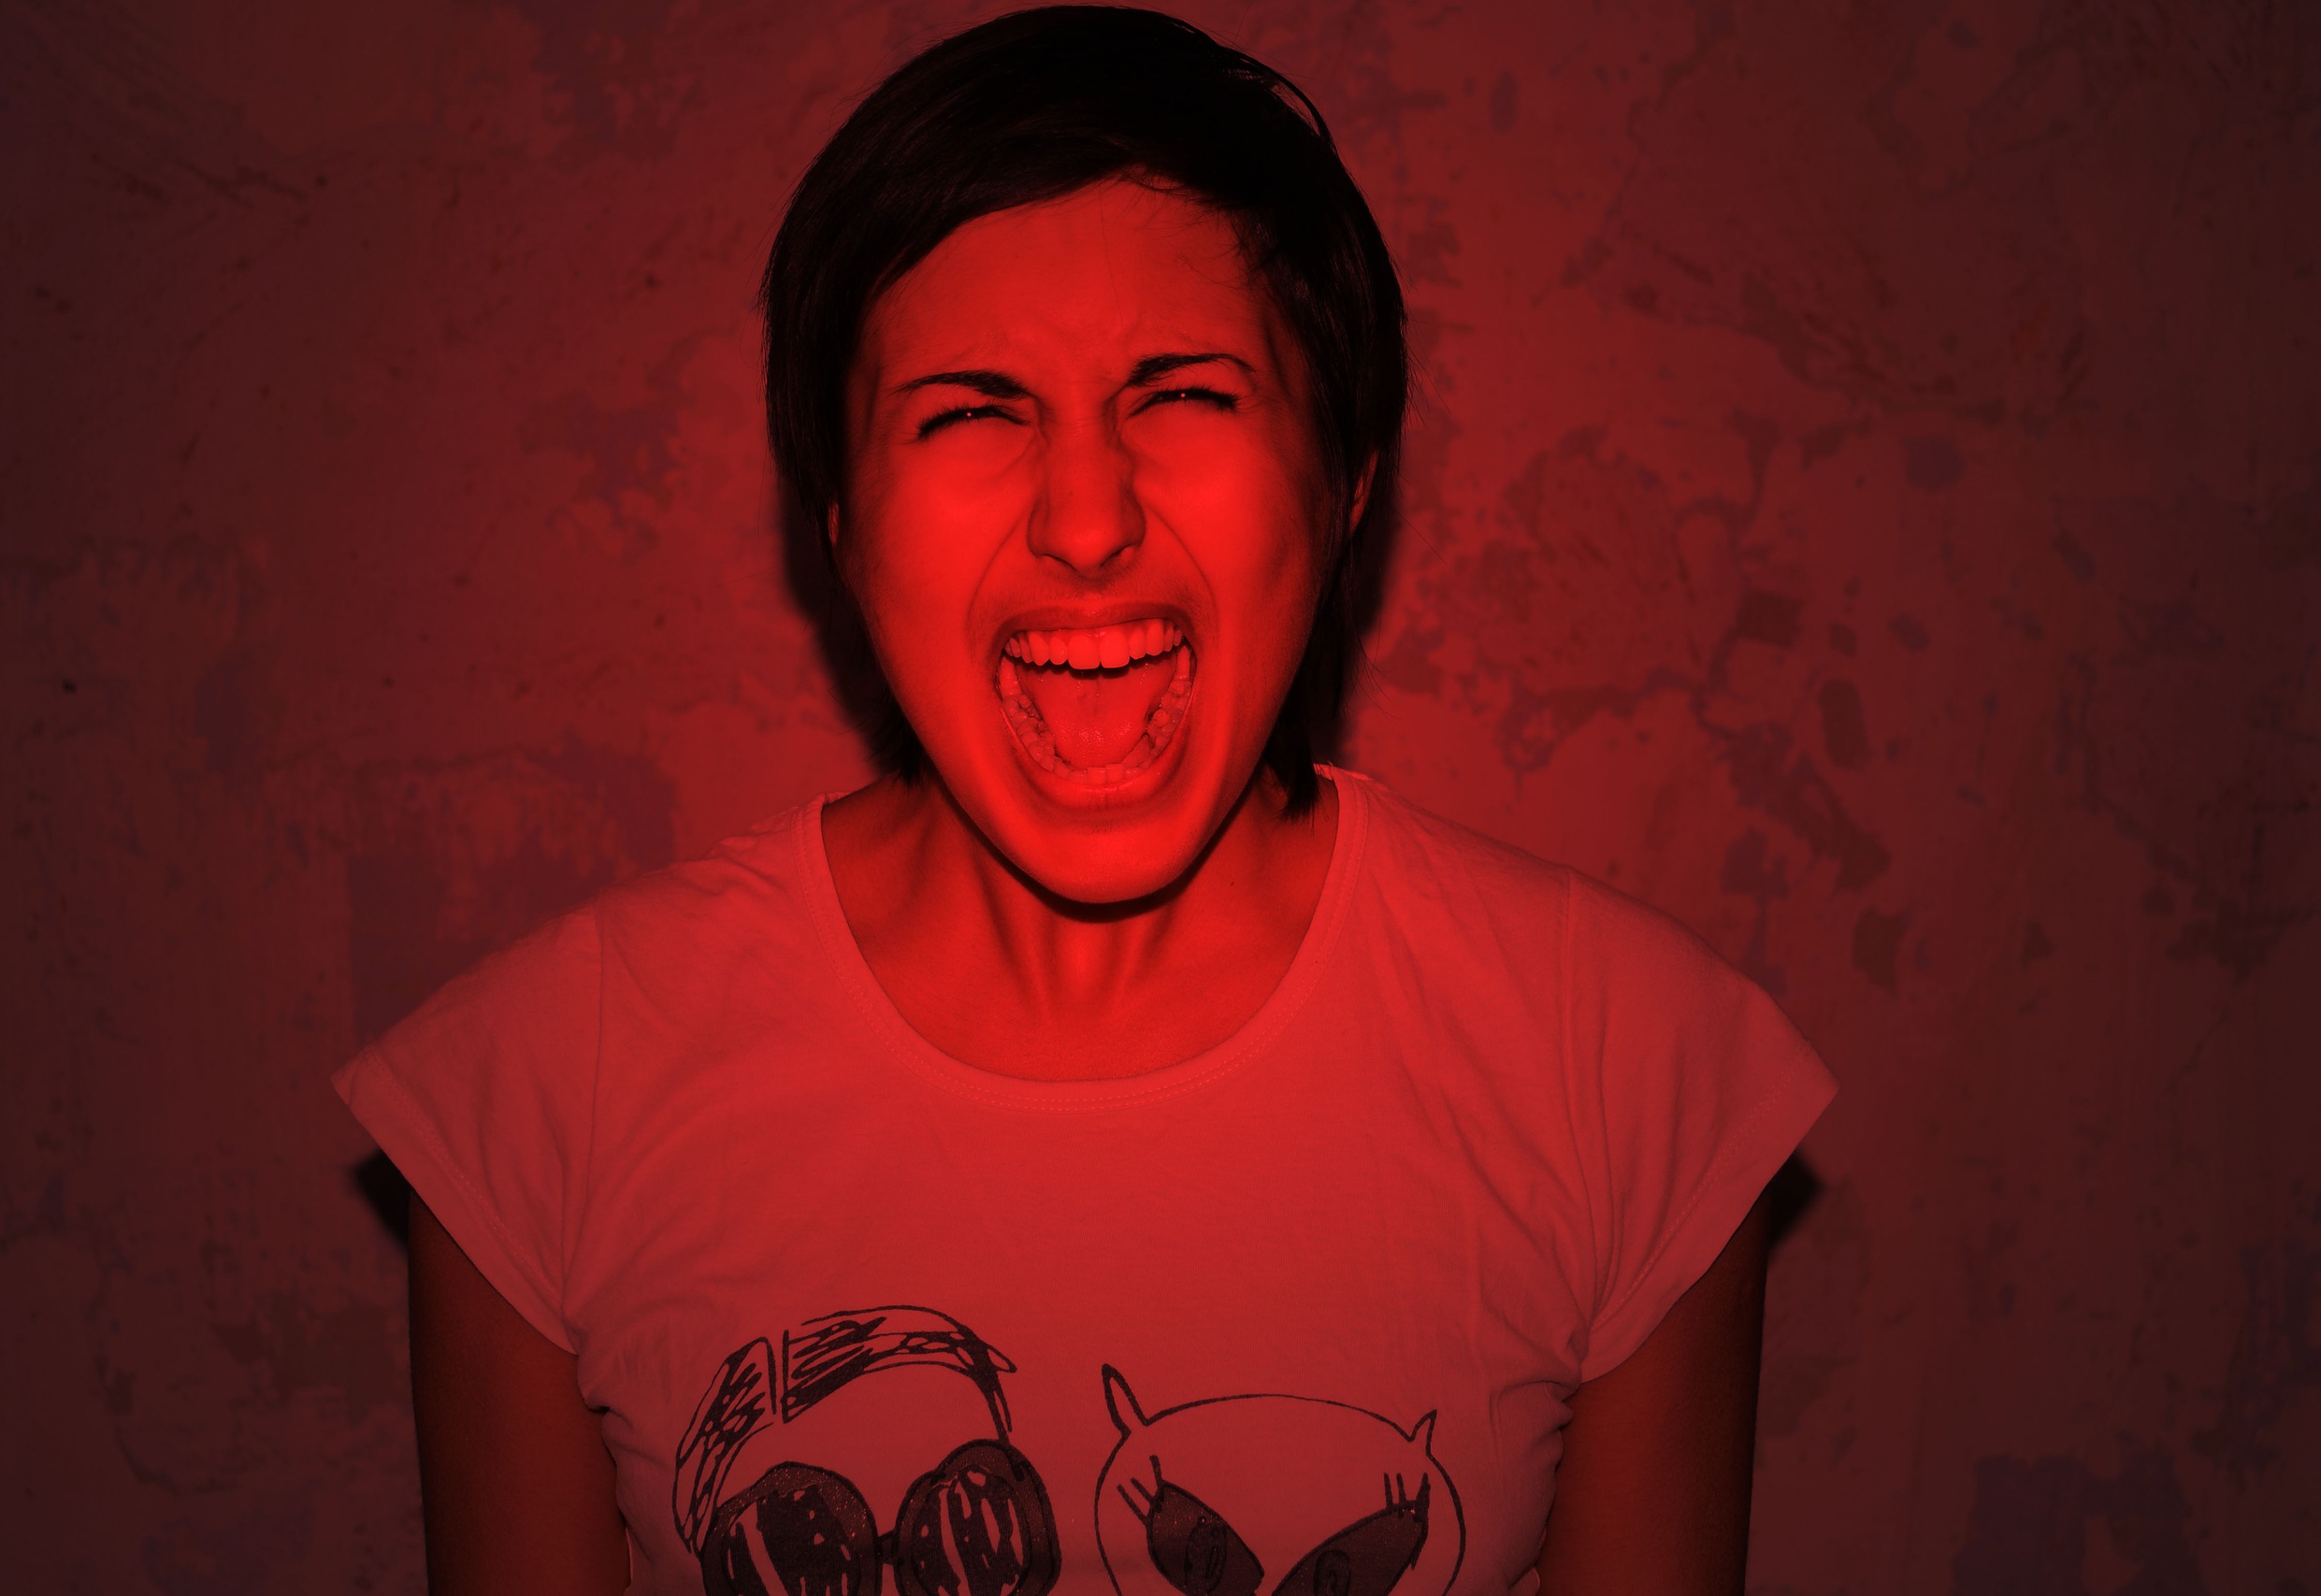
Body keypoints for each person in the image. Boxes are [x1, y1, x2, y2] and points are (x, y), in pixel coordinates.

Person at [335, 8, 1836, 1594]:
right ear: (836, 514)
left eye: (1184, 396)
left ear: (1349, 478)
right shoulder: (538, 1105)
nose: (1087, 518)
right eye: (972, 412)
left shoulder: (1632, 1077)